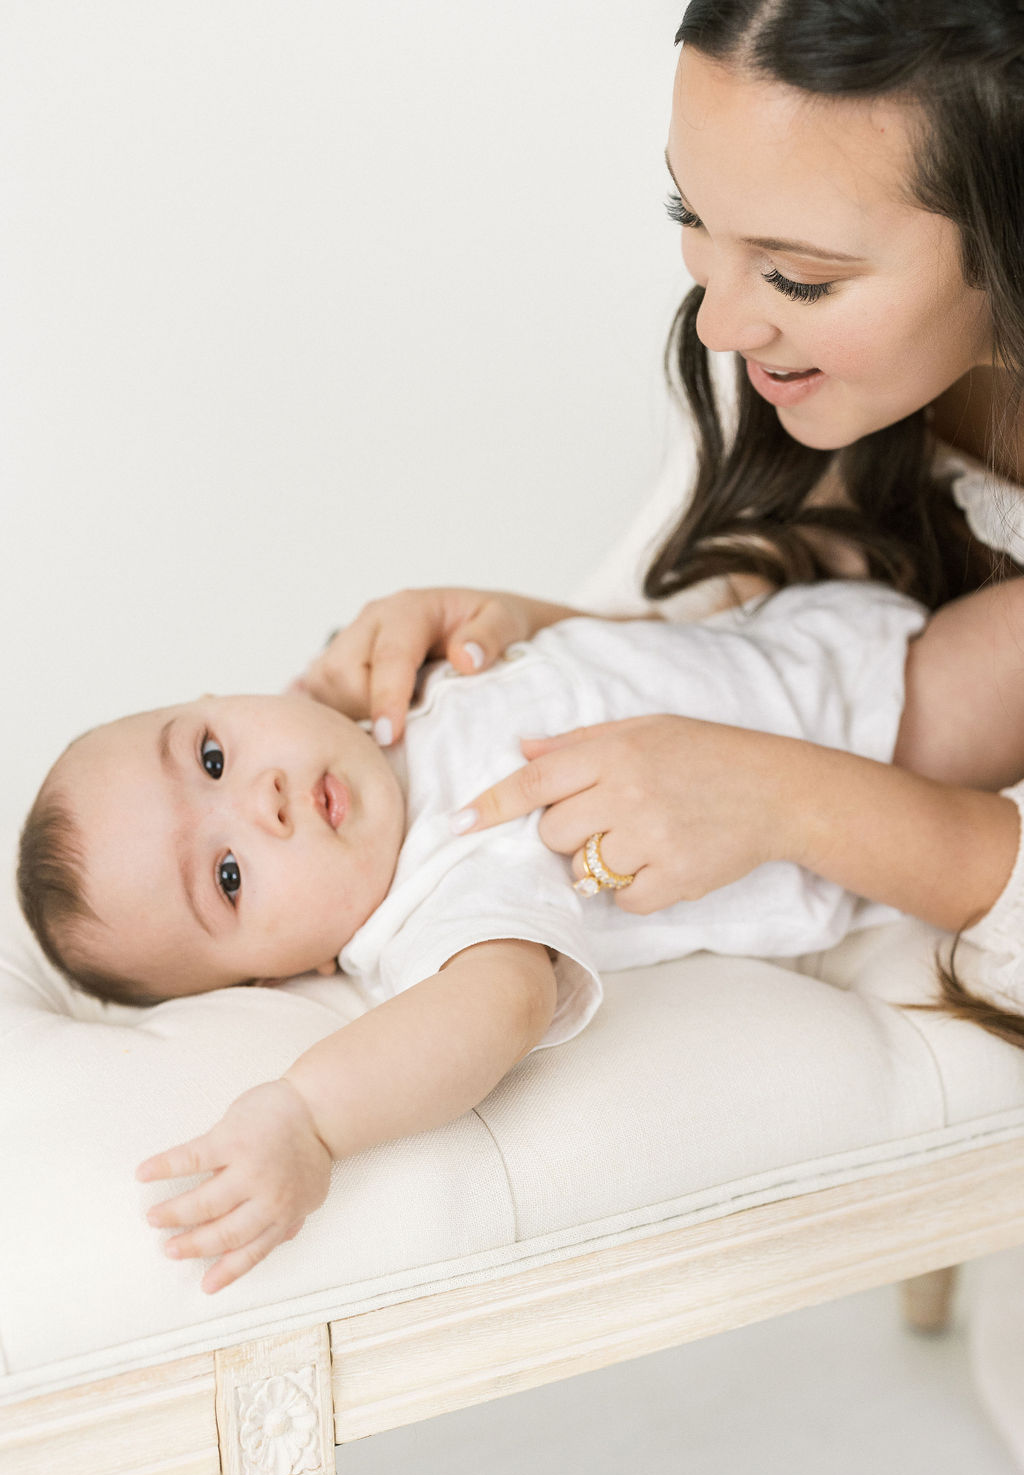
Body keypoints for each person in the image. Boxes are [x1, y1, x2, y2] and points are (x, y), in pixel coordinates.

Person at [294, 2, 1024, 1025]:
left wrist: (792, 800)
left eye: (798, 276)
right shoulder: (777, 366)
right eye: (688, 218)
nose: (720, 323)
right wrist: (542, 637)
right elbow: (748, 661)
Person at [14, 576, 1024, 1291]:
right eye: (228, 876)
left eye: (210, 754)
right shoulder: (437, 895)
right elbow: (495, 1005)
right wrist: (309, 1118)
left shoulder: (392, 706)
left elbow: (597, 643)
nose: (262, 799)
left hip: (811, 622)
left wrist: (500, 614)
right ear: (292, 972)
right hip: (891, 734)